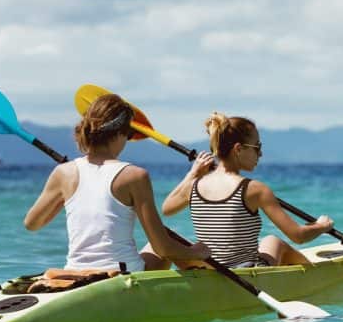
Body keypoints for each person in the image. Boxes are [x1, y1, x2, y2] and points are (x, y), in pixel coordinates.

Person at [24, 94, 211, 272]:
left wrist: (65, 197)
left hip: (74, 270)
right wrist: (196, 252)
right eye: (129, 135)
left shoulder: (63, 173)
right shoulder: (134, 176)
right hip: (122, 272)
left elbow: (32, 224)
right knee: (168, 238)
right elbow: (162, 248)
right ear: (119, 133)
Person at [162, 112, 333, 267]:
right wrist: (321, 226)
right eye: (257, 148)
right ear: (238, 149)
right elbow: (298, 236)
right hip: (246, 274)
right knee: (274, 241)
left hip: (211, 269)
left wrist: (192, 174)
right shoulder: (254, 189)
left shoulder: (194, 185)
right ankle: (313, 276)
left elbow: (167, 209)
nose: (260, 154)